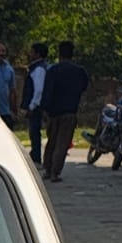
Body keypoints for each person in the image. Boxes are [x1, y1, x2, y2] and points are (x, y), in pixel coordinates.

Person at [41, 41, 89, 182]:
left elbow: (47, 91)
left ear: (59, 54)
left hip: (53, 112)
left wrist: (45, 109)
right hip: (69, 111)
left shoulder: (53, 70)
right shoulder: (80, 72)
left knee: (52, 141)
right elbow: (84, 87)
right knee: (62, 143)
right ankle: (55, 172)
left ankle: (47, 169)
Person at [21, 43, 49, 166]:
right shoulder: (36, 67)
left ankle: (36, 157)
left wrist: (32, 106)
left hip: (36, 107)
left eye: (32, 52)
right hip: (35, 105)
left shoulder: (39, 69)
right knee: (33, 131)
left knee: (34, 132)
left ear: (37, 54)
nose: (30, 54)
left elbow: (38, 90)